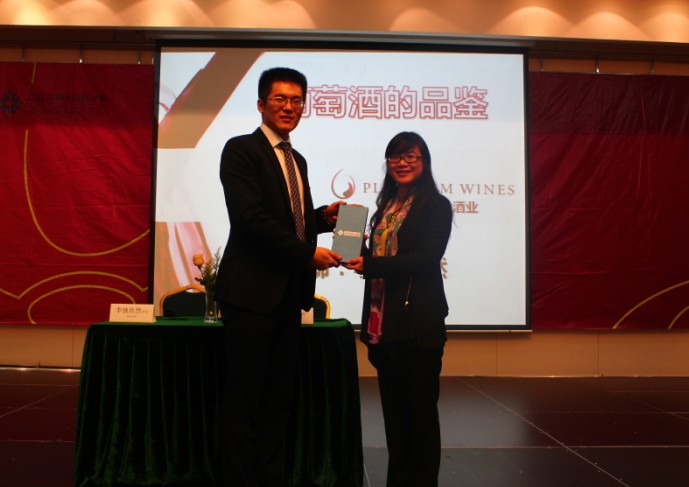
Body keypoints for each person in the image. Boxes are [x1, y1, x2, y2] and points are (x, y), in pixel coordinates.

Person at [215, 67, 343, 487]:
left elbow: (292, 222)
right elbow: (250, 220)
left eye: (296, 101)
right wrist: (308, 254)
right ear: (261, 104)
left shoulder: (296, 159)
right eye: (280, 99)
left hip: (289, 295)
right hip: (251, 294)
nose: (289, 107)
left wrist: (322, 219)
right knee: (244, 398)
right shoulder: (241, 150)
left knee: (277, 399)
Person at [345, 131, 453, 487]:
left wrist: (371, 264)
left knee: (420, 416)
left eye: (411, 156)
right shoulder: (386, 207)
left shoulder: (436, 206)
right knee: (395, 419)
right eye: (395, 157)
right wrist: (354, 248)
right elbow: (380, 257)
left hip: (418, 325)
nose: (402, 163)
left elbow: (426, 258)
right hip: (383, 325)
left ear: (424, 162)